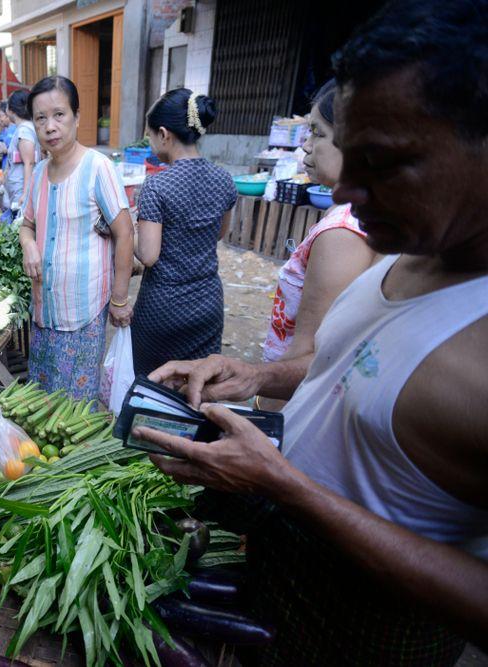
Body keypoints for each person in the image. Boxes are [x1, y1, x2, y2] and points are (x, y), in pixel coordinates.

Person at [135, 1, 488, 663]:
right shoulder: (415, 246)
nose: (348, 190)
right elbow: (357, 363)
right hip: (277, 576)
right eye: (349, 155)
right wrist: (258, 375)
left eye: (383, 161)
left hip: (364, 632)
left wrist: (285, 484)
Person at [259, 79, 376, 408]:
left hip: (295, 401)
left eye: (317, 133)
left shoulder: (341, 232)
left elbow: (311, 351)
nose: (305, 147)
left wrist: (263, 409)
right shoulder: (352, 215)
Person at [19, 76, 134, 400]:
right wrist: (29, 244)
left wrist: (120, 298)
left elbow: (125, 232)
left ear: (77, 117)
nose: (50, 126)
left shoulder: (98, 168)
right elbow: (26, 225)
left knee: (74, 412)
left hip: (83, 313)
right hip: (44, 312)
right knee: (41, 401)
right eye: (40, 118)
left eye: (59, 115)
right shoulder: (40, 172)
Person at [130, 88, 237, 376]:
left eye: (150, 136)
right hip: (207, 305)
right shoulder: (224, 179)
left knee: (154, 388)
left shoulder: (157, 185)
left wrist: (131, 230)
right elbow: (219, 233)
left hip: (163, 309)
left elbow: (148, 255)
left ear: (164, 134)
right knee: (197, 385)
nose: (151, 143)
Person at [1, 90, 40, 224]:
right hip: (18, 188)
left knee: (20, 226)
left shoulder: (24, 130)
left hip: (20, 189)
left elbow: (29, 163)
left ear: (11, 110)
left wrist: (25, 193)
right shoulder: (25, 128)